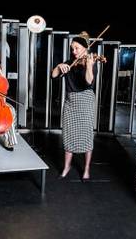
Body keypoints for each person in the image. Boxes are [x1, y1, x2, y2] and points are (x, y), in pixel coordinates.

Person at [51, 31, 96, 181]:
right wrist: (59, 66)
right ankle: (67, 167)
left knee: (87, 135)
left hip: (86, 101)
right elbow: (53, 75)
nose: (73, 51)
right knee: (68, 134)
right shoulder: (68, 62)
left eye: (76, 48)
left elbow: (89, 81)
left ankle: (87, 168)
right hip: (71, 102)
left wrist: (89, 66)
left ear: (85, 48)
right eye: (72, 48)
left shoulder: (90, 61)